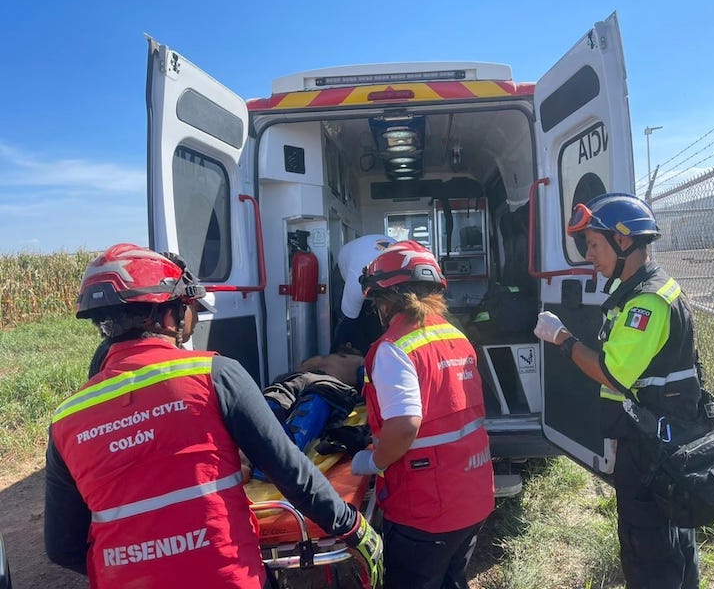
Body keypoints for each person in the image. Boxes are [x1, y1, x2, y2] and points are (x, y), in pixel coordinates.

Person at [44, 243, 383, 589]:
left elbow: (62, 547)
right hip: (226, 576)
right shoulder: (213, 374)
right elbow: (292, 473)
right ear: (168, 314)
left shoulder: (66, 419)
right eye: (189, 306)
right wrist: (351, 526)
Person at [534, 194, 701, 588]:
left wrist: (563, 338)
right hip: (653, 440)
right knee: (666, 543)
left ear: (624, 241)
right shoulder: (636, 291)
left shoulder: (647, 302)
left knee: (652, 550)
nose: (589, 255)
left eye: (594, 244)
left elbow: (613, 374)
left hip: (654, 450)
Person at [351, 240, 495, 589]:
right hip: (472, 493)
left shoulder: (394, 348)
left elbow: (405, 424)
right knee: (451, 578)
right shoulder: (455, 336)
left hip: (426, 507)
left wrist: (374, 462)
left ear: (387, 299)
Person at [331, 234, 396, 355]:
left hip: (370, 250)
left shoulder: (403, 278)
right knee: (344, 317)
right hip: (346, 263)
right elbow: (346, 320)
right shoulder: (356, 283)